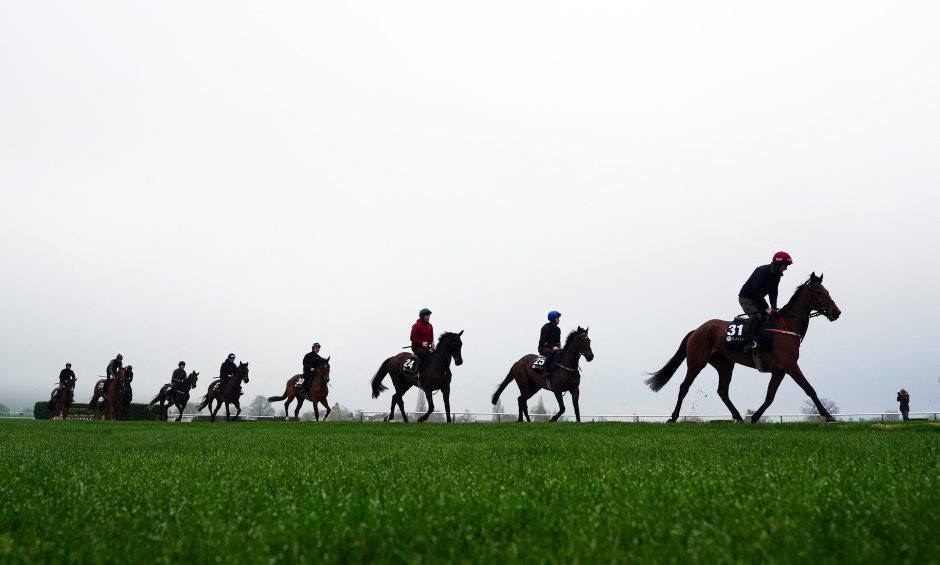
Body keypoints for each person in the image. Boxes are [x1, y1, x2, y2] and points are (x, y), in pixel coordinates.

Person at [739, 251, 793, 352]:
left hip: (757, 299)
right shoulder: (762, 271)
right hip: (746, 298)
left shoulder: (777, 275)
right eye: (785, 265)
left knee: (769, 318)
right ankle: (748, 343)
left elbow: (773, 293)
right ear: (778, 263)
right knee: (756, 317)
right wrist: (766, 307)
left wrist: (774, 308)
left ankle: (760, 341)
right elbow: (756, 291)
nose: (786, 268)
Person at [538, 311, 563, 388]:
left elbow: (558, 342)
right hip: (543, 348)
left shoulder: (558, 329)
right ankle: (545, 371)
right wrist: (552, 347)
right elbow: (543, 342)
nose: (559, 319)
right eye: (557, 318)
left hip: (554, 349)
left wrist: (559, 347)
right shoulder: (545, 328)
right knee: (552, 352)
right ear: (553, 319)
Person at [410, 308, 434, 386]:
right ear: (422, 316)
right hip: (417, 347)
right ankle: (417, 373)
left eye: (429, 315)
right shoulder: (416, 325)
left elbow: (431, 337)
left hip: (427, 347)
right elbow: (412, 338)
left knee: (435, 354)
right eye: (427, 315)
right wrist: (421, 343)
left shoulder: (430, 326)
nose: (428, 317)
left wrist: (432, 343)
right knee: (424, 354)